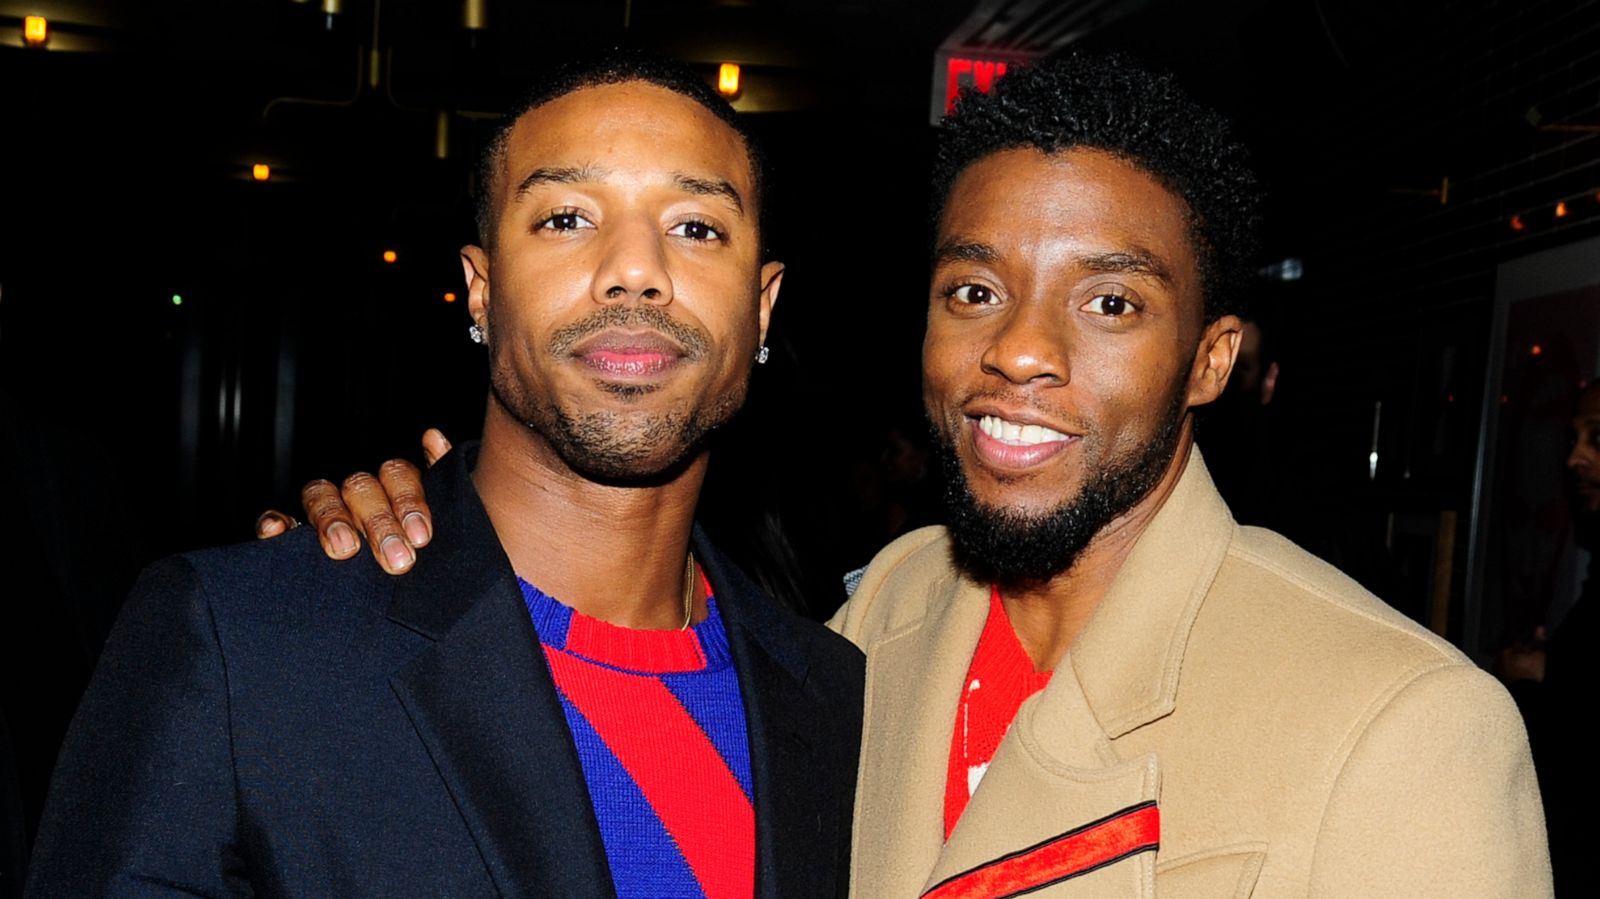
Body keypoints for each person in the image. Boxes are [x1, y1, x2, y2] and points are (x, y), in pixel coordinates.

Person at [281, 56, 1550, 896]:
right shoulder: (867, 627)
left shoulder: (1405, 724)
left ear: (1210, 358)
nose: (1020, 349)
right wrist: (409, 542)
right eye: (975, 290)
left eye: (1110, 300)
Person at [27, 52, 864, 898]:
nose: (635, 269)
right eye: (568, 217)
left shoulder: (834, 694)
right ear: (480, 288)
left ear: (760, 307)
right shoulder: (241, 646)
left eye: (696, 227)